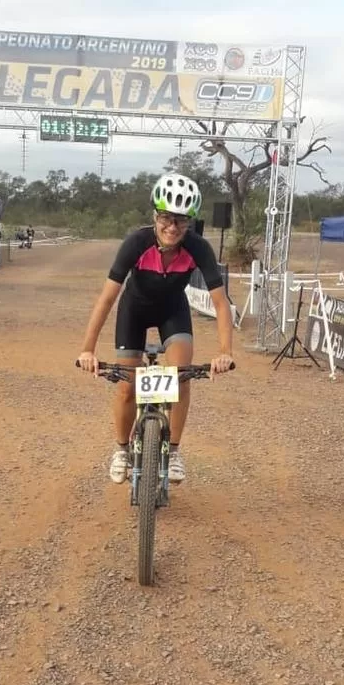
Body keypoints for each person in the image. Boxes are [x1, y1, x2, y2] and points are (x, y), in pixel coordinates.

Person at [77, 173, 234, 484]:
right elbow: (107, 298)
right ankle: (121, 450)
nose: (172, 227)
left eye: (181, 220)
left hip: (172, 312)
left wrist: (225, 352)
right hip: (133, 311)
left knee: (181, 377)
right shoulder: (136, 243)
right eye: (165, 218)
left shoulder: (199, 248)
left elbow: (220, 304)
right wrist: (87, 349)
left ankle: (173, 451)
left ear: (190, 222)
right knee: (126, 385)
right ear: (155, 216)